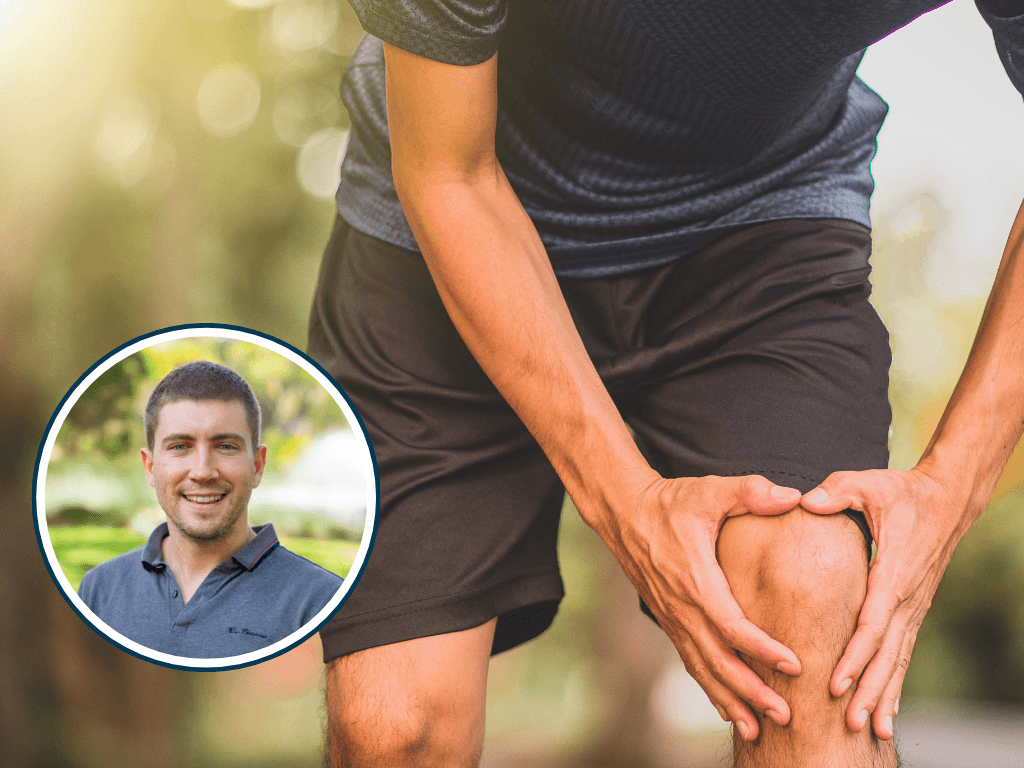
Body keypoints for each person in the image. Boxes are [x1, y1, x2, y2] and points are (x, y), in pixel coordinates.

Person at [307, 1, 1024, 765]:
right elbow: (449, 173)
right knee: (394, 728)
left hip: (760, 225)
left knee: (812, 608)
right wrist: (629, 503)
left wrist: (953, 486)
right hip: (448, 216)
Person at [78, 360, 344, 659]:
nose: (203, 472)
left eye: (225, 446)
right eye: (180, 446)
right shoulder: (99, 590)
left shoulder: (323, 600)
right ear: (150, 467)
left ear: (257, 466)